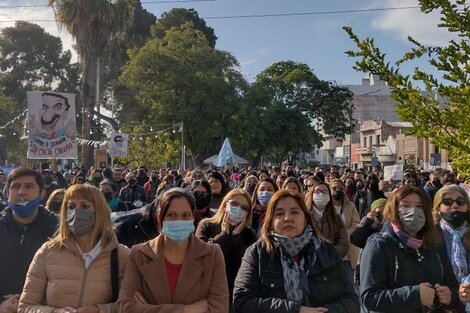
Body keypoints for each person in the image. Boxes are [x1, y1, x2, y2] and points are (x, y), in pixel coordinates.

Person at [233, 189, 359, 313]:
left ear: (306, 219)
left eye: (294, 212)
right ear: (270, 222)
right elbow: (242, 302)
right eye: (279, 214)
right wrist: (295, 310)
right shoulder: (257, 254)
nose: (287, 218)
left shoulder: (327, 252)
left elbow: (351, 301)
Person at [18, 183, 130, 313]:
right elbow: (26, 307)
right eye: (71, 206)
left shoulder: (121, 255)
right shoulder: (48, 252)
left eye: (85, 206)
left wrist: (98, 310)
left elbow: (129, 306)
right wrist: (55, 312)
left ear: (99, 211)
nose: (76, 212)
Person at [117, 188, 229, 313]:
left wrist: (148, 309)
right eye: (171, 215)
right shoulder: (139, 254)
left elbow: (219, 308)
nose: (179, 221)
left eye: (185, 215)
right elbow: (126, 308)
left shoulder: (212, 254)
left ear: (193, 217)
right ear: (160, 218)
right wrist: (187, 310)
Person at [360, 185, 461, 313]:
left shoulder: (434, 243)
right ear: (394, 209)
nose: (413, 211)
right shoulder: (379, 244)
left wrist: (450, 296)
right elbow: (369, 297)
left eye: (419, 206)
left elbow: (451, 283)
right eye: (405, 206)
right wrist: (415, 295)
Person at [0, 168, 58, 313]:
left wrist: (34, 303)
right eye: (15, 187)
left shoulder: (59, 229)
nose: (21, 192)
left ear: (42, 193)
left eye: (29, 186)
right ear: (7, 193)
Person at [195, 189, 257, 308]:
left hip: (236, 294)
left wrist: (236, 237)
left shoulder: (249, 234)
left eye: (244, 208)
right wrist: (223, 235)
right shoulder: (206, 225)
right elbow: (201, 256)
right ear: (225, 204)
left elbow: (248, 264)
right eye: (234, 204)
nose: (238, 209)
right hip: (207, 291)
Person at [432, 184, 470, 310]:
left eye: (460, 201)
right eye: (447, 202)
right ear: (438, 207)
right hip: (442, 305)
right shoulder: (428, 236)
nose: (454, 206)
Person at [305, 181, 349, 259]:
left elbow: (343, 242)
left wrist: (332, 254)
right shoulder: (304, 217)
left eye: (325, 192)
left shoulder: (336, 218)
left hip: (331, 263)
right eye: (317, 191)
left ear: (329, 196)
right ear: (312, 195)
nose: (321, 194)